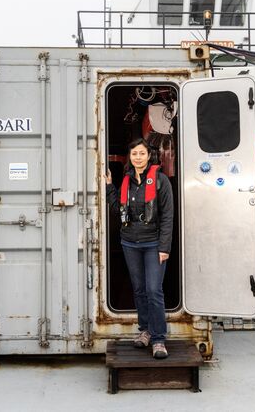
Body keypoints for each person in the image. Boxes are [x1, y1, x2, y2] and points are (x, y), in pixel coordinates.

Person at [105, 138, 174, 359]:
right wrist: (109, 187)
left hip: (153, 244)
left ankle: (159, 339)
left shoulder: (161, 181)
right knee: (139, 289)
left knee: (154, 290)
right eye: (134, 153)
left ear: (149, 156)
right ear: (130, 157)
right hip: (129, 243)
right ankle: (144, 330)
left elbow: (167, 218)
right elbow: (117, 209)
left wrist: (164, 247)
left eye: (141, 153)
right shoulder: (126, 181)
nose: (138, 157)